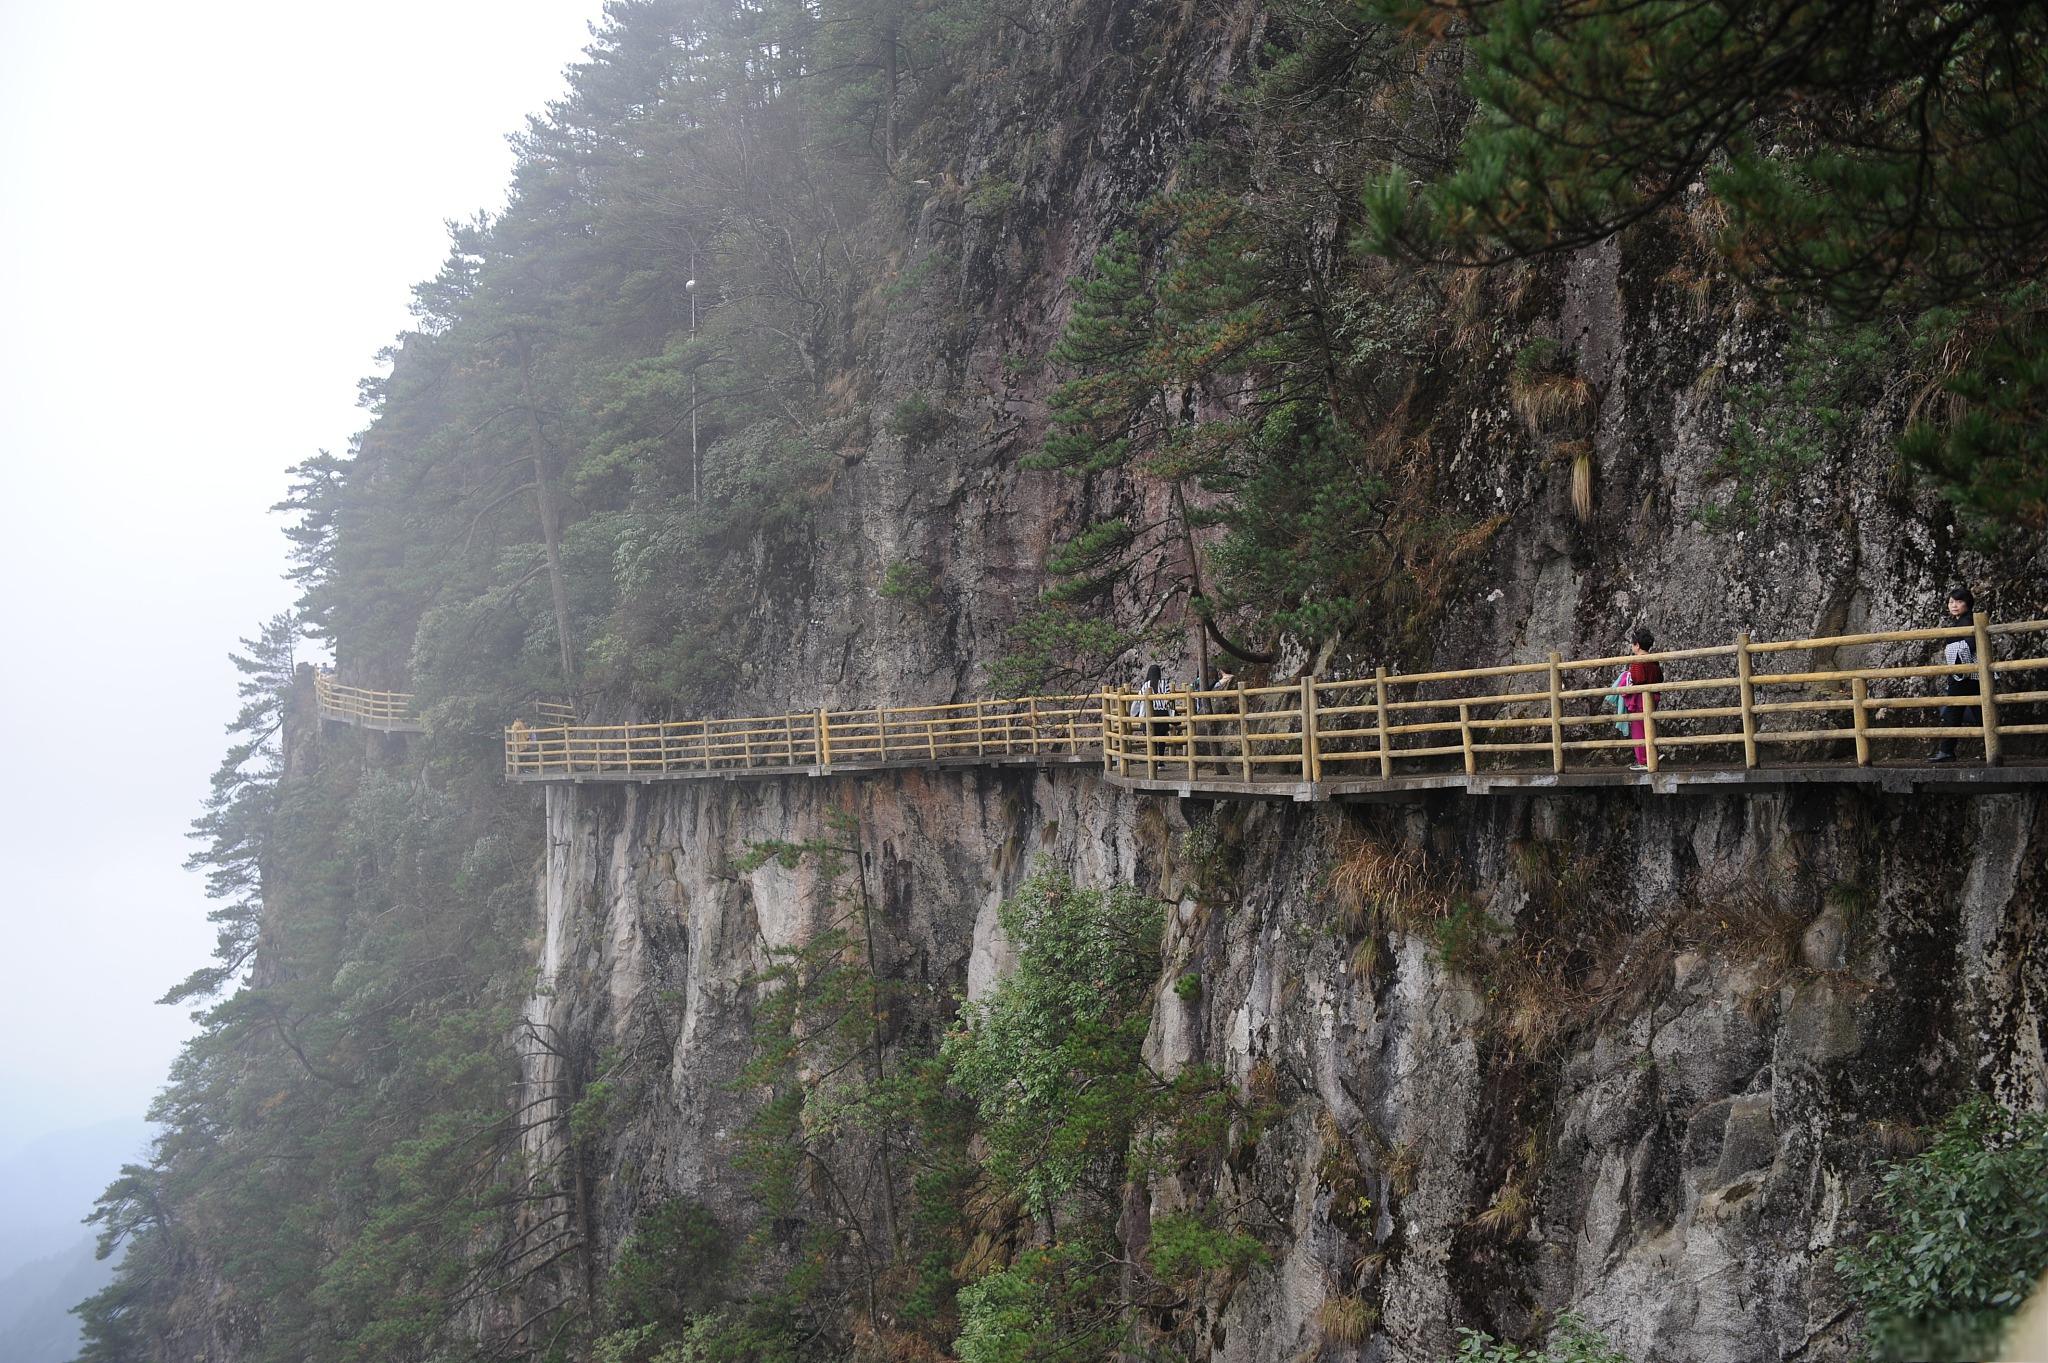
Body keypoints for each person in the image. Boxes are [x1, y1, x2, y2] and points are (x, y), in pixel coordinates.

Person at [1932, 585, 1979, 763]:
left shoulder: (1968, 620)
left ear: (1967, 604)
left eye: (1959, 601)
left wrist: (1957, 665)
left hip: (1964, 674)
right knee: (1978, 710)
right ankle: (1994, 747)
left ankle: (1946, 751)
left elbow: (1970, 644)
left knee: (1953, 710)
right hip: (1969, 674)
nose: (1954, 605)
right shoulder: (1961, 620)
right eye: (1951, 602)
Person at [1623, 627, 1662, 770]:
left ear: (1637, 645)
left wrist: (1627, 677)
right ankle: (1651, 755)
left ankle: (1643, 760)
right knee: (1649, 726)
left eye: (1633, 644)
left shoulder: (1637, 661)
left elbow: (1638, 679)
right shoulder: (1654, 661)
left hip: (1640, 698)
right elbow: (1660, 678)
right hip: (1653, 696)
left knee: (1639, 728)